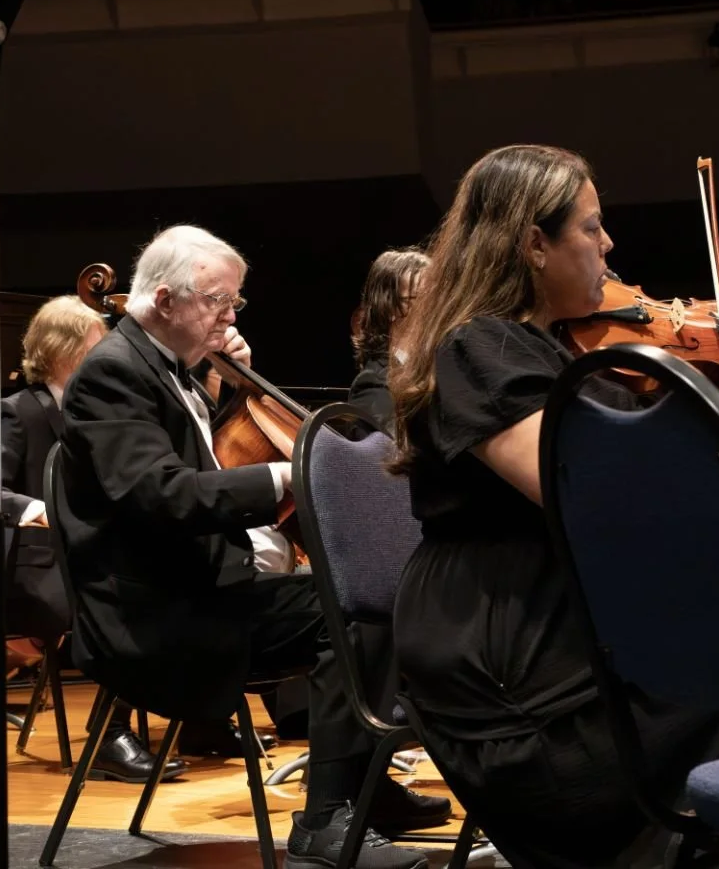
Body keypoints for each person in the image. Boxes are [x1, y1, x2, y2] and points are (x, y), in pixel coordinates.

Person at [386, 145, 719, 867]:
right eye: (591, 228)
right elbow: (589, 491)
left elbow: (653, 462)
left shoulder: (548, 350)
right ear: (534, 243)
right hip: (524, 681)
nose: (609, 246)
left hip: (570, 630)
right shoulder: (478, 348)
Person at [55, 224, 446, 869]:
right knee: (350, 611)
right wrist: (285, 475)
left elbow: (191, 455)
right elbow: (161, 494)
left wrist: (218, 382)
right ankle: (326, 817)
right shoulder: (111, 375)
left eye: (236, 302)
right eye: (218, 301)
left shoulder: (166, 368)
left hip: (203, 591)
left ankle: (363, 791)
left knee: (378, 596)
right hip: (155, 617)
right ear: (163, 301)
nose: (231, 315)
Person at [0, 295, 186, 784]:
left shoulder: (99, 411)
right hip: (37, 574)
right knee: (128, 604)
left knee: (174, 585)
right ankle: (110, 737)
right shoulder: (21, 411)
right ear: (66, 352)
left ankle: (198, 719)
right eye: (99, 345)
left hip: (86, 560)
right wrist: (37, 509)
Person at [348, 249, 429, 431]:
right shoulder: (373, 384)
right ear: (389, 307)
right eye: (423, 299)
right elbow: (396, 456)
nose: (435, 309)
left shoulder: (439, 370)